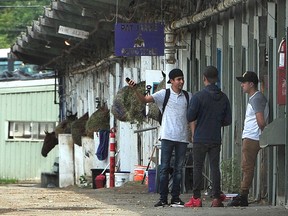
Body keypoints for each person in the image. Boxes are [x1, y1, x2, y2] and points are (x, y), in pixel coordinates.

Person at [127, 69, 192, 207]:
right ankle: (163, 198)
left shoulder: (188, 96)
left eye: (182, 79)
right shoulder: (164, 94)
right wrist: (135, 89)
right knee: (164, 168)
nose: (181, 82)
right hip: (167, 136)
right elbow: (144, 100)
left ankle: (175, 198)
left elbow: (192, 118)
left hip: (182, 138)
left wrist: (193, 134)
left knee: (179, 169)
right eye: (178, 79)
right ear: (172, 81)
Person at [185, 66, 232, 208]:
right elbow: (228, 120)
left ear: (204, 78)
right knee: (214, 167)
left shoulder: (198, 97)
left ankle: (196, 198)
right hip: (215, 137)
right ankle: (217, 198)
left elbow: (190, 116)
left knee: (198, 167)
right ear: (216, 79)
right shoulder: (223, 97)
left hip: (200, 138)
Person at [228, 71, 269, 207]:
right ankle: (243, 194)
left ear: (251, 84)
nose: (242, 85)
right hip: (252, 136)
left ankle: (243, 195)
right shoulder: (255, 98)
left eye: (244, 82)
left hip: (252, 137)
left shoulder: (256, 98)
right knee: (247, 166)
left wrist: (264, 132)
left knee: (247, 167)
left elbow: (261, 121)